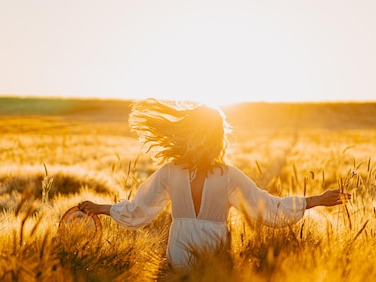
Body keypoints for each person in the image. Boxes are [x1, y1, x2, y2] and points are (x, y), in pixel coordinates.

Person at [78, 99, 350, 269]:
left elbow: (138, 212)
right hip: (214, 266)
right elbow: (269, 209)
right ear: (219, 139)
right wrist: (315, 200)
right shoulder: (227, 176)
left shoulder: (171, 173)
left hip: (179, 263)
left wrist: (100, 208)